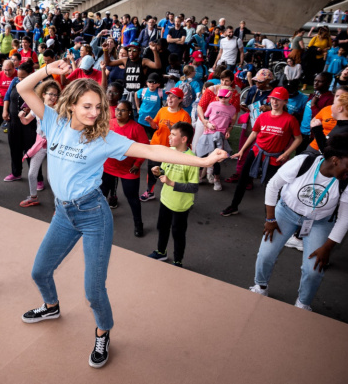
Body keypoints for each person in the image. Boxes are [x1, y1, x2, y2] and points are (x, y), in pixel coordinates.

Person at [16, 59, 228, 368]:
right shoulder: (53, 122)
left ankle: (103, 331)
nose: (95, 113)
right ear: (72, 104)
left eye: (99, 108)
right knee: (39, 271)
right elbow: (24, 87)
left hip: (92, 214)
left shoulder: (104, 139)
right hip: (63, 213)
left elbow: (154, 151)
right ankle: (51, 306)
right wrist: (49, 70)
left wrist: (204, 162)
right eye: (87, 106)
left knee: (93, 289)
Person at [250, 134, 348, 311]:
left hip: (320, 222)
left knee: (314, 269)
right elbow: (273, 186)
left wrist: (327, 247)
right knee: (266, 253)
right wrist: (270, 219)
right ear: (335, 160)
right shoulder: (303, 162)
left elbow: (345, 218)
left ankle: (303, 304)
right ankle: (260, 287)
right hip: (285, 212)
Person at [221, 87, 302, 217]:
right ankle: (234, 206)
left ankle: (269, 217)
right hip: (256, 152)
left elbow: (298, 139)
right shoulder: (263, 116)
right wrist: (242, 150)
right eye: (273, 99)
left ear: (285, 102)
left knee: (270, 188)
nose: (275, 102)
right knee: (243, 180)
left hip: (274, 157)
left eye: (279, 100)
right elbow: (254, 133)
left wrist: (286, 153)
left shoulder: (290, 120)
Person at [146, 122, 200, 267]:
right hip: (165, 200)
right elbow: (165, 173)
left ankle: (177, 260)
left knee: (178, 233)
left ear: (184, 139)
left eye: (173, 134)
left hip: (180, 206)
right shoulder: (169, 151)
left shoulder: (192, 159)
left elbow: (194, 187)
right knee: (162, 227)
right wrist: (159, 173)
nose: (169, 136)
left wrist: (171, 183)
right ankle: (161, 252)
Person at [102, 100, 149, 236]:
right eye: (117, 109)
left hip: (128, 170)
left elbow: (145, 147)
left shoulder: (137, 128)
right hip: (108, 167)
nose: (119, 112)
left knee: (132, 198)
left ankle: (138, 224)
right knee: (102, 194)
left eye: (123, 110)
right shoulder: (109, 123)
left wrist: (138, 163)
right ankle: (99, 219)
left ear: (130, 112)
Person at [140, 87, 192, 202]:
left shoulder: (184, 115)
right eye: (169, 96)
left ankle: (172, 195)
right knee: (152, 170)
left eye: (173, 96)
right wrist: (151, 122)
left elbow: (186, 136)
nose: (169, 98)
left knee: (169, 173)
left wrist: (171, 129)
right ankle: (150, 192)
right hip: (156, 146)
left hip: (171, 150)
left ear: (180, 100)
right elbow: (155, 126)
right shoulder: (162, 110)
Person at [19, 80, 60, 208]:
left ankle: (59, 205)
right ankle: (33, 197)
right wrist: (21, 116)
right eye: (50, 94)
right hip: (40, 143)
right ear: (43, 94)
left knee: (51, 177)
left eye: (55, 95)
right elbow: (26, 121)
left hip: (55, 146)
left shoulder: (59, 110)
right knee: (31, 173)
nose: (53, 97)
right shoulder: (37, 108)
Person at [195, 88, 237, 191]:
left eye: (225, 97)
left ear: (230, 97)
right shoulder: (213, 104)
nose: (223, 99)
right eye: (221, 97)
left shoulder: (233, 109)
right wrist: (208, 124)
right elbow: (206, 116)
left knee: (217, 160)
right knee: (202, 155)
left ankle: (216, 180)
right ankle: (198, 177)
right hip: (208, 133)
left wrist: (228, 131)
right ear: (218, 96)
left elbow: (230, 123)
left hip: (220, 136)